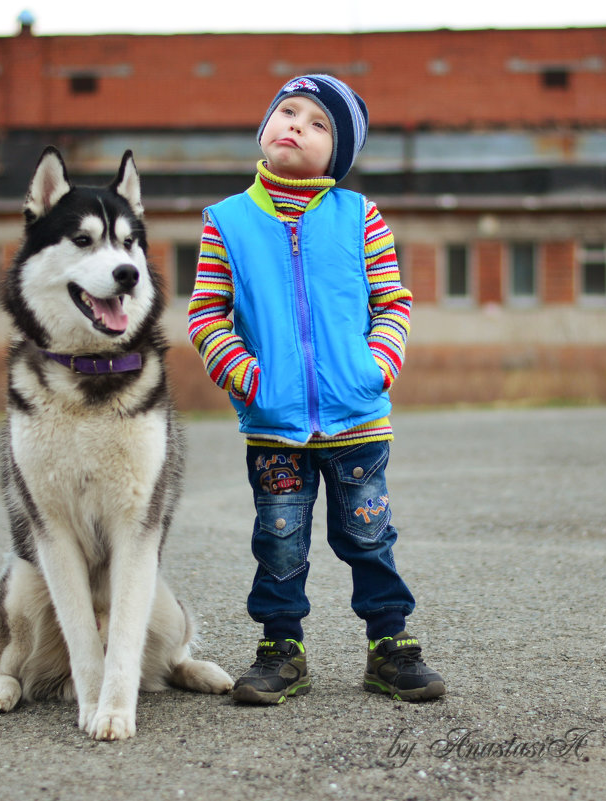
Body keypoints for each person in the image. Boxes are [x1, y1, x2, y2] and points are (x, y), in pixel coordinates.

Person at [188, 75, 445, 704]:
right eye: (287, 110)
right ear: (265, 127)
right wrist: (248, 378)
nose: (296, 124)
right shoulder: (227, 221)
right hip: (274, 421)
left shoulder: (361, 216)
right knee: (278, 539)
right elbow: (206, 316)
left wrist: (376, 365)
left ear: (339, 154)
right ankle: (282, 649)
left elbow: (393, 301)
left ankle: (390, 643)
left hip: (356, 415)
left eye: (318, 123)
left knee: (369, 535)